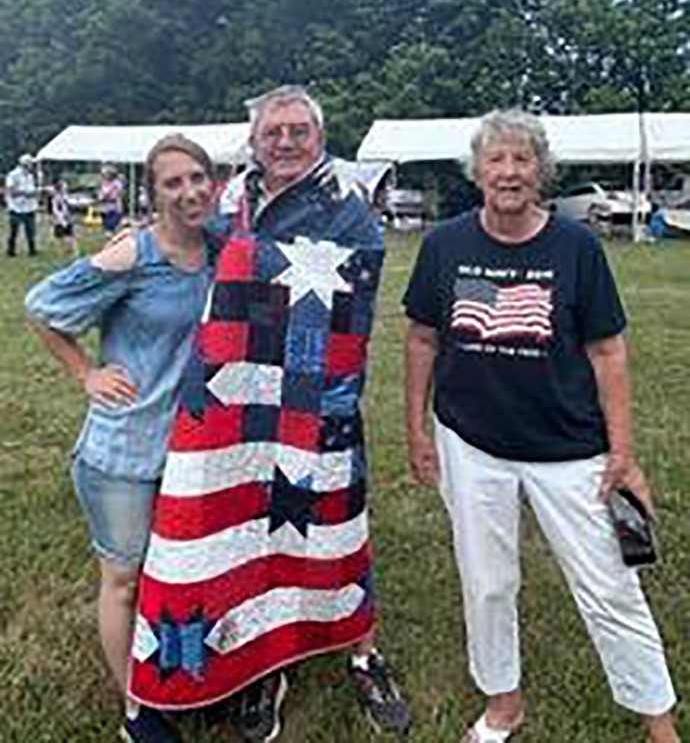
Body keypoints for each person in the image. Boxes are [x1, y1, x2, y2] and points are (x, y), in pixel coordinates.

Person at [128, 86, 410, 741]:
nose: (284, 142)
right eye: (272, 132)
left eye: (297, 131)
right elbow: (204, 248)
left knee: (335, 521)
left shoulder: (345, 199)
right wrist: (153, 235)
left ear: (318, 135)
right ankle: (266, 663)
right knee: (253, 525)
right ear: (254, 141)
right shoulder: (235, 195)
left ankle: (363, 653)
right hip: (242, 395)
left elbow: (352, 286)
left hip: (314, 397)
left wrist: (250, 261)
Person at [403, 108, 678, 743]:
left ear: (541, 171)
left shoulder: (576, 246)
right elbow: (421, 339)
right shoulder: (444, 243)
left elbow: (608, 351)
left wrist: (624, 453)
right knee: (488, 582)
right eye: (495, 160)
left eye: (521, 160)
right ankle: (504, 704)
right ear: (477, 172)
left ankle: (658, 723)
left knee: (611, 585)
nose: (507, 172)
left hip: (569, 447)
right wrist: (417, 433)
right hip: (470, 442)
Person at [26, 135, 216, 743]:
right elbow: (43, 305)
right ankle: (137, 710)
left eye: (196, 178)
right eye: (172, 182)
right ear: (152, 191)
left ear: (212, 182)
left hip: (191, 452)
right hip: (124, 453)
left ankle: (181, 677)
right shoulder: (132, 253)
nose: (188, 191)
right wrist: (87, 373)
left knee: (180, 575)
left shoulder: (219, 250)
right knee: (124, 580)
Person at [5, 153, 39, 256]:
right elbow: (11, 191)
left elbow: (32, 189)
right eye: (30, 164)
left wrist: (35, 193)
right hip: (16, 208)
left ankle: (32, 250)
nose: (32, 166)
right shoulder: (13, 175)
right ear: (24, 164)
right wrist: (26, 193)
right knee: (14, 232)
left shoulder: (30, 176)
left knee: (31, 231)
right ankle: (11, 251)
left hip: (29, 207)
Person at [49, 179, 78, 257]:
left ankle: (74, 251)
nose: (66, 189)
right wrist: (61, 219)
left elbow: (70, 206)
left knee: (71, 235)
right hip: (59, 219)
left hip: (67, 218)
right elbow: (55, 210)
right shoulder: (55, 198)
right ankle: (61, 252)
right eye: (64, 187)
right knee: (60, 237)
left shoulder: (66, 196)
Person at [98, 163, 125, 234]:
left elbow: (117, 194)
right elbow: (101, 195)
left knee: (112, 227)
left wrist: (108, 194)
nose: (105, 176)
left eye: (107, 174)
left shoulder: (117, 184)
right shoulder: (103, 184)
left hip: (114, 208)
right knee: (106, 227)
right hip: (104, 208)